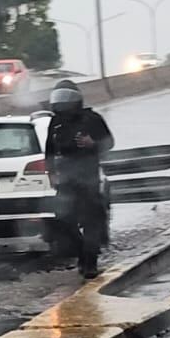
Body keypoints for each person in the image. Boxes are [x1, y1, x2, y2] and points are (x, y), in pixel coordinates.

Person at [45, 79, 114, 278]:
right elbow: (49, 150)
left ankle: (90, 262)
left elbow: (109, 143)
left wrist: (92, 143)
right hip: (66, 180)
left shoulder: (92, 119)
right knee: (63, 221)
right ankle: (82, 252)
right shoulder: (55, 123)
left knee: (92, 222)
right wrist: (51, 172)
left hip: (89, 180)